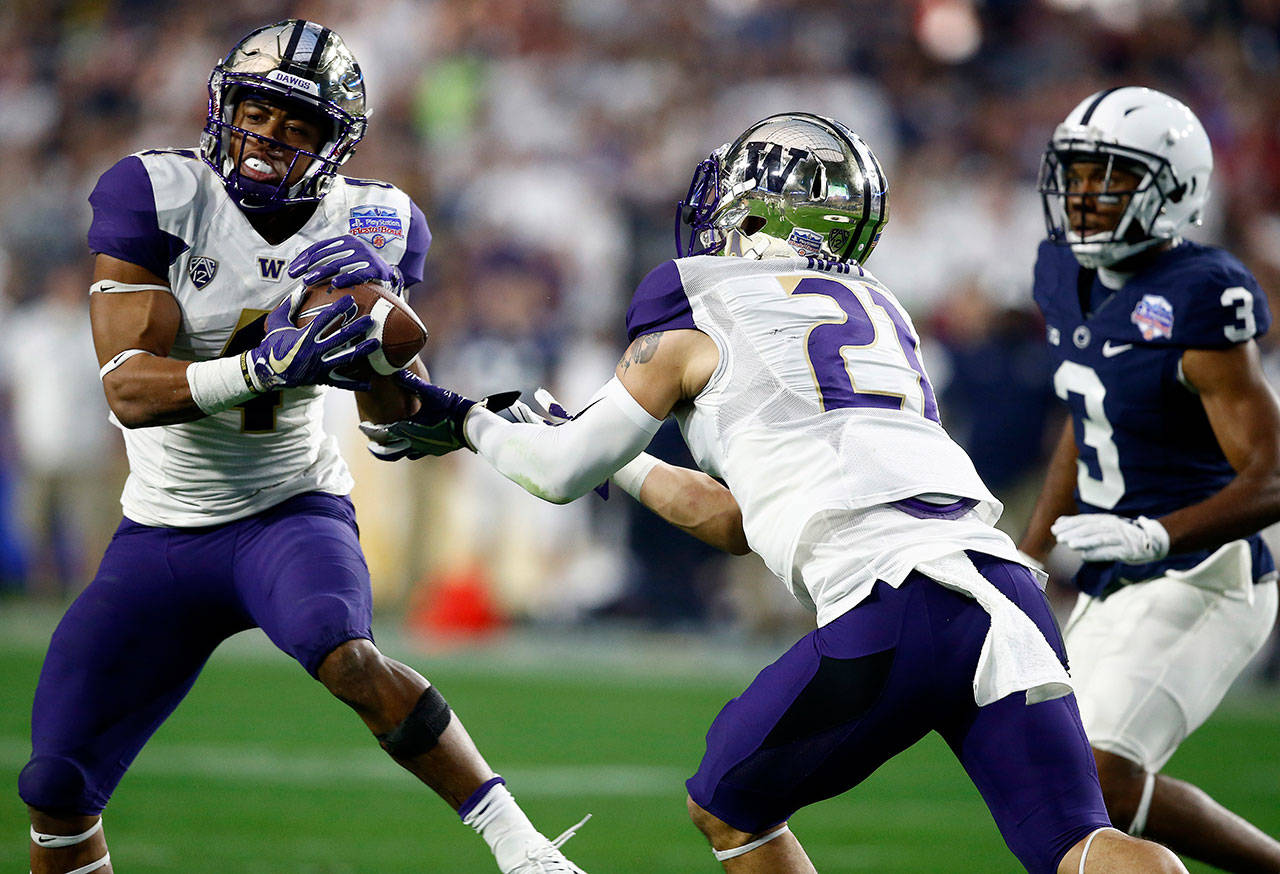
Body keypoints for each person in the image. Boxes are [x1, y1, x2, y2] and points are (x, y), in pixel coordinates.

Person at [364, 112, 1185, 873]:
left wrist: (466, 418)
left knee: (728, 805)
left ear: (759, 216)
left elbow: (553, 470)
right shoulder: (883, 310)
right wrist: (619, 458)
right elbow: (732, 521)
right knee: (1079, 844)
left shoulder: (702, 299)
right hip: (1001, 591)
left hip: (897, 601)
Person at [19, 20, 588, 874]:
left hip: (286, 509)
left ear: (333, 144)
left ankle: (528, 852)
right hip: (161, 531)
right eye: (255, 111)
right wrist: (263, 365)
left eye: (296, 125)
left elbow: (386, 423)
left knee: (344, 650)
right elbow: (129, 391)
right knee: (56, 788)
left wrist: (415, 377)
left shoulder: (378, 219)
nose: (266, 137)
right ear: (222, 106)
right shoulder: (155, 193)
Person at [1018, 85, 1280, 872]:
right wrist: (1030, 553)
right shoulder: (1059, 269)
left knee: (1097, 771)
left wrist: (1154, 532)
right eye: (1077, 173)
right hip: (1110, 573)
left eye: (1111, 178)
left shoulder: (1202, 291)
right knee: (1053, 775)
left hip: (1204, 575)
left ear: (1175, 190)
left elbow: (1271, 476)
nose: (1085, 197)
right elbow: (1087, 413)